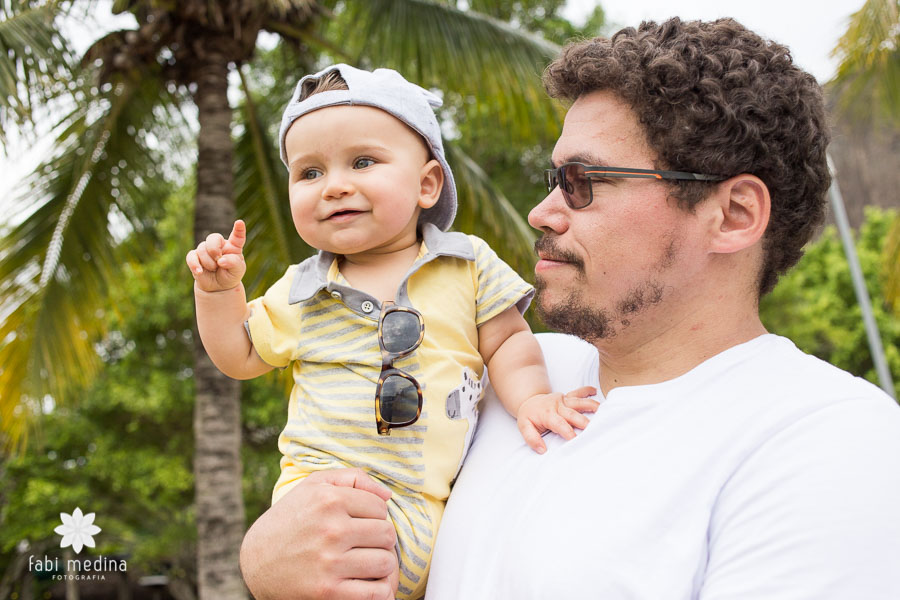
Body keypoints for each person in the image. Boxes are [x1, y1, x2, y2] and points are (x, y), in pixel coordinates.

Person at [238, 18, 900, 600]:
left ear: (732, 215)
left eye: (584, 183)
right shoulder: (505, 376)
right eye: (554, 180)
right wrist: (266, 562)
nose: (540, 211)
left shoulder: (827, 443)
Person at [186, 64, 598, 599]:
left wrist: (534, 398)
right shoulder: (303, 288)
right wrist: (218, 295)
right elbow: (238, 355)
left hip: (427, 507)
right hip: (322, 500)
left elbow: (508, 341)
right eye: (309, 173)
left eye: (362, 162)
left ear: (427, 183)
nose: (334, 186)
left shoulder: (465, 262)